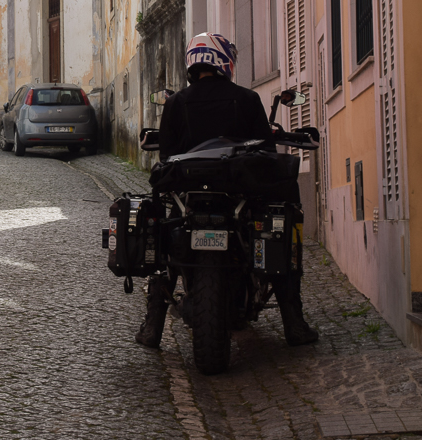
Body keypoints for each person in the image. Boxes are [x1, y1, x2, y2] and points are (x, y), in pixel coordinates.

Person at [135, 32, 319, 349]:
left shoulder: (177, 102)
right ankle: (294, 321)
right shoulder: (247, 99)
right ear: (224, 60)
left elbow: (166, 153)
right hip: (236, 193)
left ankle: (153, 323)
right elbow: (264, 147)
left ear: (192, 62)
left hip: (191, 196)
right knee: (279, 226)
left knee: (164, 247)